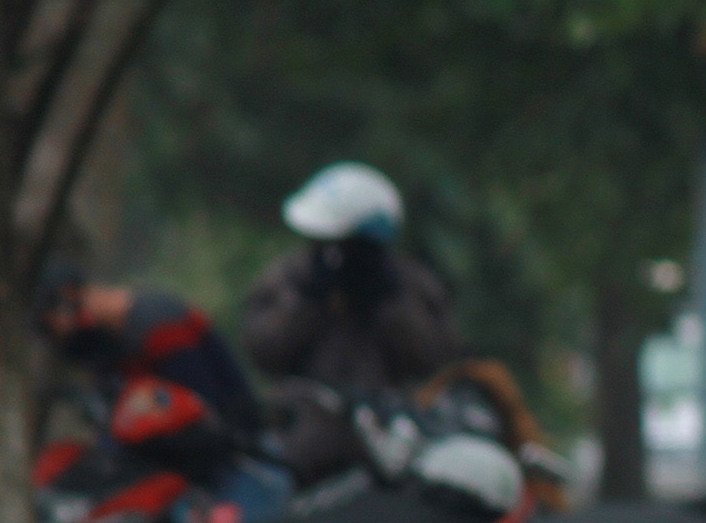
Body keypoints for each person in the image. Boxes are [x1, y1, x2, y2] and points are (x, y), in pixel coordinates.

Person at [239, 162, 461, 394]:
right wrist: (307, 299)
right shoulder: (289, 277)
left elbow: (436, 359)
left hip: (394, 417)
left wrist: (389, 300)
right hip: (306, 416)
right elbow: (263, 354)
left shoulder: (412, 284)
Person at [36, 265, 263, 440]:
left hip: (240, 450)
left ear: (72, 296)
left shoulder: (156, 323)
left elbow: (199, 405)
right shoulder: (109, 346)